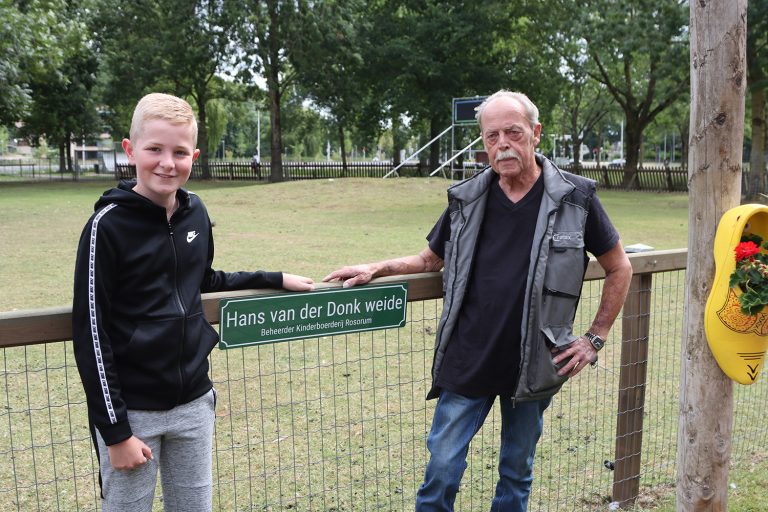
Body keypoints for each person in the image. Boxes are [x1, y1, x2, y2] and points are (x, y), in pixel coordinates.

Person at [324, 90, 632, 511]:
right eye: (491, 136)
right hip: (469, 355)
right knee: (443, 468)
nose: (502, 143)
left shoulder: (575, 199)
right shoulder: (467, 199)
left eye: (513, 132)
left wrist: (593, 339)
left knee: (516, 473)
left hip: (536, 359)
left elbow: (620, 266)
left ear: (535, 134)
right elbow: (430, 258)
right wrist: (377, 268)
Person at [72, 93, 315, 512]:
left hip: (194, 404)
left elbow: (202, 279)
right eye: (155, 150)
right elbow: (91, 333)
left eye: (179, 152)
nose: (167, 163)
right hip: (135, 415)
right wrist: (115, 432)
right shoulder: (105, 228)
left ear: (194, 156)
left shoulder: (195, 213)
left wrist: (273, 279)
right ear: (130, 150)